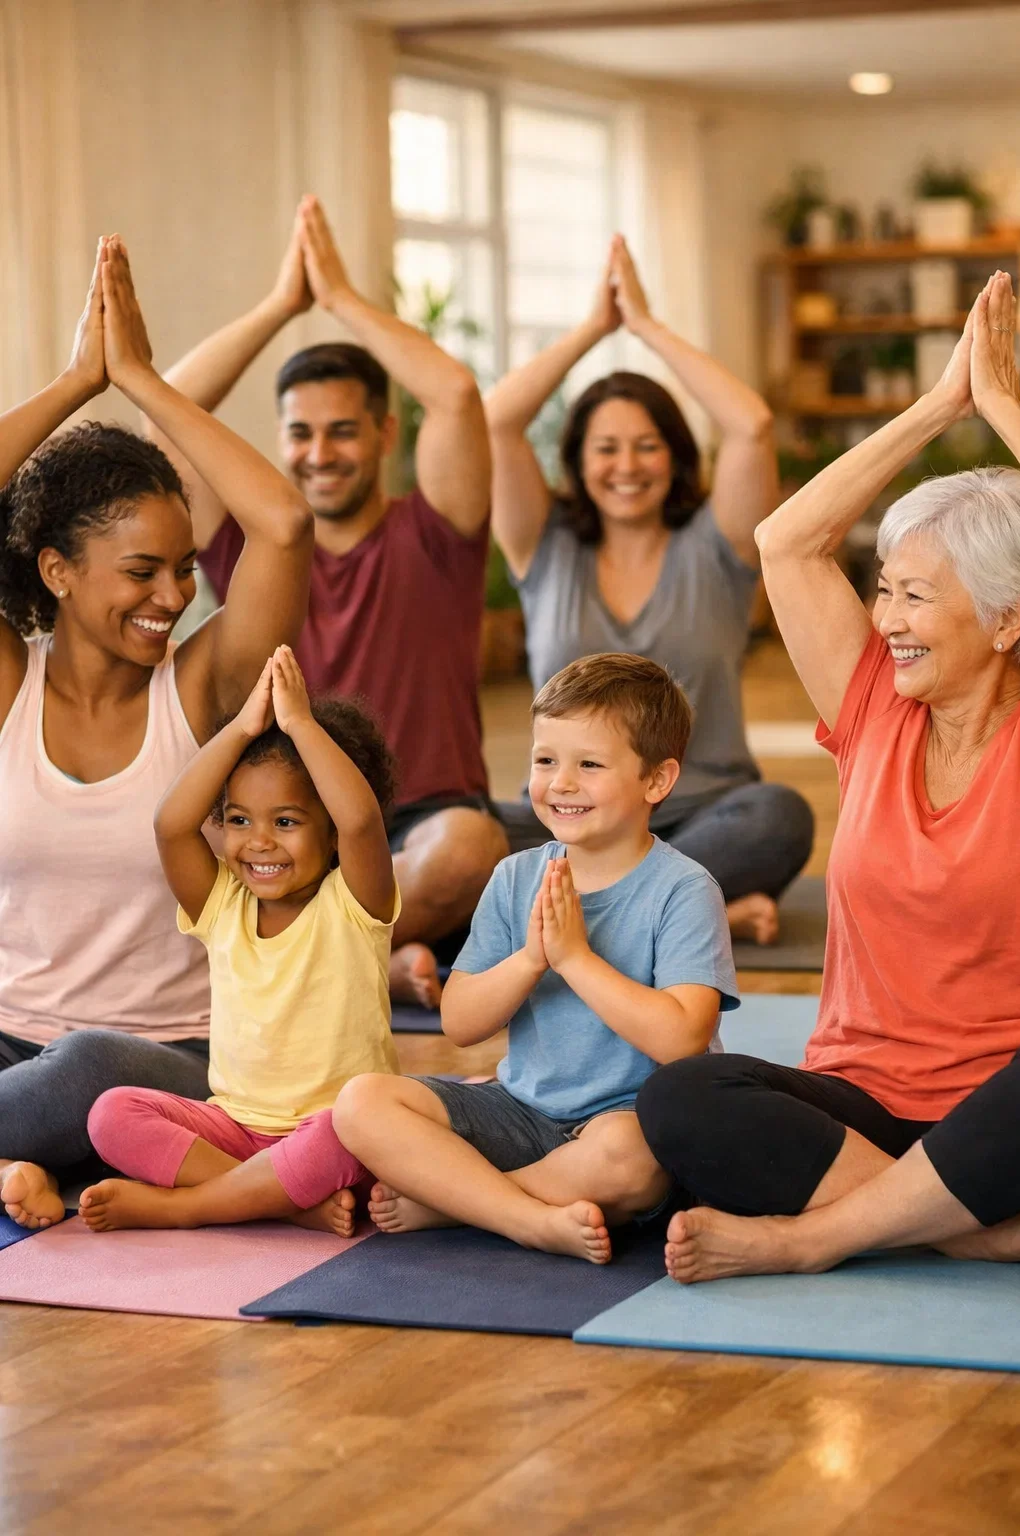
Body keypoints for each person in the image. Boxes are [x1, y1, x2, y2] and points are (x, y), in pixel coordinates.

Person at [634, 271, 1020, 1283]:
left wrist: (1007, 410)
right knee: (681, 1098)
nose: (883, 619)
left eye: (914, 597)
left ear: (1007, 619)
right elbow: (784, 542)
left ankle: (818, 1235)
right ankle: (958, 1226)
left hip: (1004, 1108)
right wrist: (939, 408)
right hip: (865, 1103)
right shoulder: (875, 708)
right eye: (881, 590)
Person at [0, 238, 313, 1230]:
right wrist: (72, 383)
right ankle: (22, 1161)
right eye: (143, 571)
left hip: (163, 1060)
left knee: (88, 1067)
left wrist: (139, 381)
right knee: (55, 1072)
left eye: (183, 569)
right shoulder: (12, 689)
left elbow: (283, 525)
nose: (174, 597)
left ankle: (28, 1153)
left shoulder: (203, 687)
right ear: (57, 570)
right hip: (11, 1047)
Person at [150, 196, 506, 1008]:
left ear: (385, 434)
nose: (319, 453)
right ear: (279, 439)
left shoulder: (437, 532)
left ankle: (316, 956)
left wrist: (340, 297)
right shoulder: (250, 544)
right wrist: (281, 306)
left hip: (419, 818)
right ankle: (358, 960)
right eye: (301, 433)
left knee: (472, 849)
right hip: (278, 817)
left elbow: (453, 396)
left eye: (342, 431)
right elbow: (168, 408)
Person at [333, 653, 738, 1264]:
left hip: (620, 1124)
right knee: (361, 1102)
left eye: (590, 765)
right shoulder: (516, 875)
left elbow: (683, 1038)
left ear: (656, 780)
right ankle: (525, 1217)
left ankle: (454, 1204)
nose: (561, 783)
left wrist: (576, 959)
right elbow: (460, 1024)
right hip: (518, 1110)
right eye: (546, 760)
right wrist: (530, 959)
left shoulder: (683, 889)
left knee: (634, 1159)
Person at [484, 234, 813, 946]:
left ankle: (587, 922)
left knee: (778, 815)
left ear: (676, 456)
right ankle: (685, 916)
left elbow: (751, 423)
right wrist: (592, 330)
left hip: (703, 813)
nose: (626, 465)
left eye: (647, 445)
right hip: (567, 821)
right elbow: (499, 419)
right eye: (606, 447)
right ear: (576, 459)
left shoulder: (717, 543)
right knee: (469, 835)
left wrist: (646, 327)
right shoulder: (545, 547)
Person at [80, 646, 399, 1236]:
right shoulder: (223, 903)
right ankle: (276, 1198)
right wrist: (243, 727)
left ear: (329, 834)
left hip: (330, 1132)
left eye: (286, 821)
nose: (258, 842)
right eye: (238, 819)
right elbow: (170, 824)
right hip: (235, 1126)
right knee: (111, 1113)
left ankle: (190, 1207)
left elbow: (361, 822)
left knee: (358, 1130)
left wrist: (299, 723)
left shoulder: (355, 904)